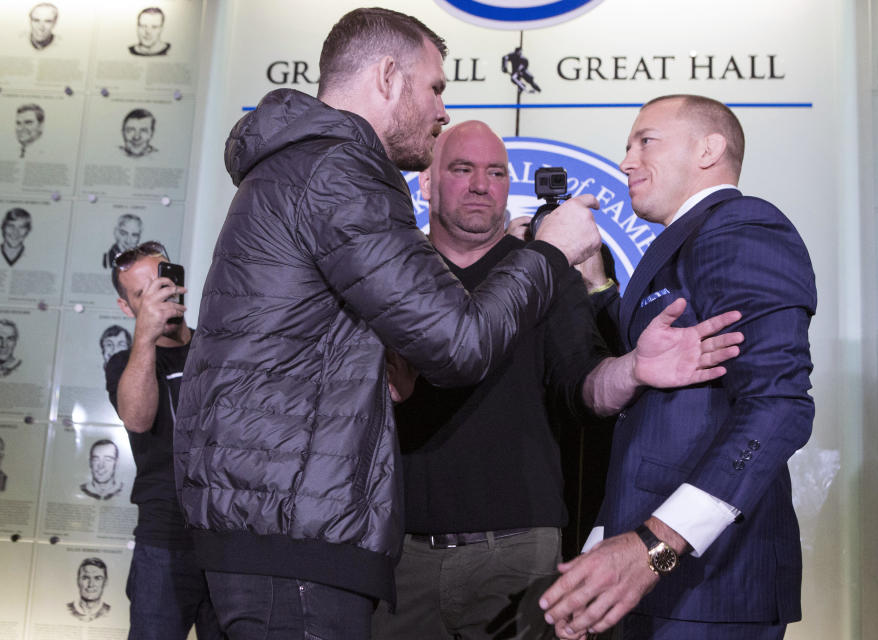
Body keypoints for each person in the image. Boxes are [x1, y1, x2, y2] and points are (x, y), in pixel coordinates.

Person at [174, 7, 605, 639]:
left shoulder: (301, 167)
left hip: (274, 529)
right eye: (435, 87)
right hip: (296, 542)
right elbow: (459, 342)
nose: (442, 110)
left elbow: (301, 341)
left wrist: (369, 373)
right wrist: (548, 253)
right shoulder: (339, 171)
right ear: (385, 76)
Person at [370, 121, 741, 640]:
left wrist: (632, 368)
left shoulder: (547, 275)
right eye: (462, 169)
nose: (481, 184)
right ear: (428, 184)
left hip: (518, 553)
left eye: (496, 172)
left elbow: (584, 386)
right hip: (394, 554)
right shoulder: (387, 272)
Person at [539, 94, 817, 640]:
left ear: (709, 149)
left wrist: (655, 547)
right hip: (658, 583)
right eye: (626, 146)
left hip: (709, 588)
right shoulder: (686, 242)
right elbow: (652, 401)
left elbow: (780, 406)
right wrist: (596, 284)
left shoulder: (741, 226)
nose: (626, 162)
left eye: (646, 141)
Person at [105, 241, 223, 640]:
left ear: (178, 283)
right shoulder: (126, 364)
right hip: (165, 541)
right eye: (142, 295)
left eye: (161, 285)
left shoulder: (220, 347)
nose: (158, 299)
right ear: (127, 309)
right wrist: (145, 338)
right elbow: (137, 419)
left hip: (231, 540)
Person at [67, 557, 111, 622]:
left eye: (97, 578)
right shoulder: (66, 610)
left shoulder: (111, 612)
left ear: (105, 582)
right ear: (78, 581)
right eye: (85, 578)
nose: (91, 584)